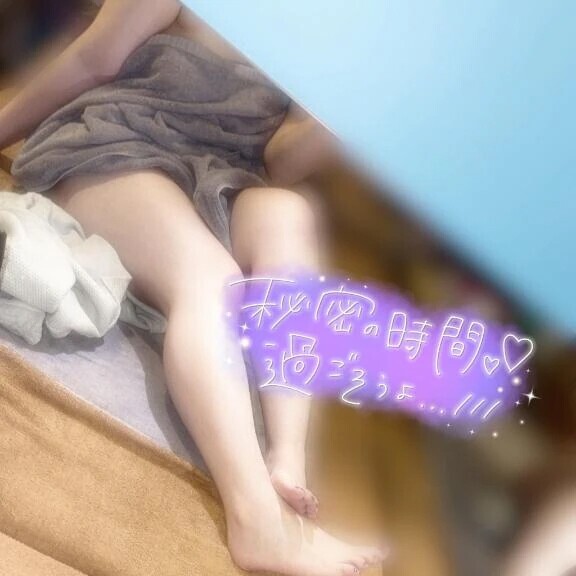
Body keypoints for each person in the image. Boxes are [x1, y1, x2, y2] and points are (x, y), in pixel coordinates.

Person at [0, 1, 385, 574]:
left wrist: (349, 114)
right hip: (115, 146)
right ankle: (256, 521)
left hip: (216, 178)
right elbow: (92, 61)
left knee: (290, 215)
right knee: (213, 281)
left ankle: (286, 467)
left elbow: (279, 163)